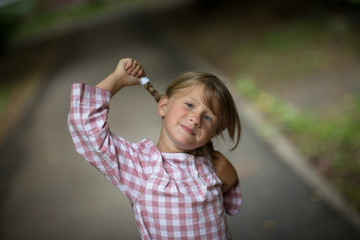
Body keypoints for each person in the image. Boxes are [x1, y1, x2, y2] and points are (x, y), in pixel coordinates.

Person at [68, 58, 242, 239]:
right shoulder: (140, 167)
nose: (196, 118)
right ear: (164, 106)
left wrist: (230, 178)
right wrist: (117, 80)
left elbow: (225, 207)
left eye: (208, 118)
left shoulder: (211, 161)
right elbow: (85, 125)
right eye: (189, 105)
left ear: (213, 134)